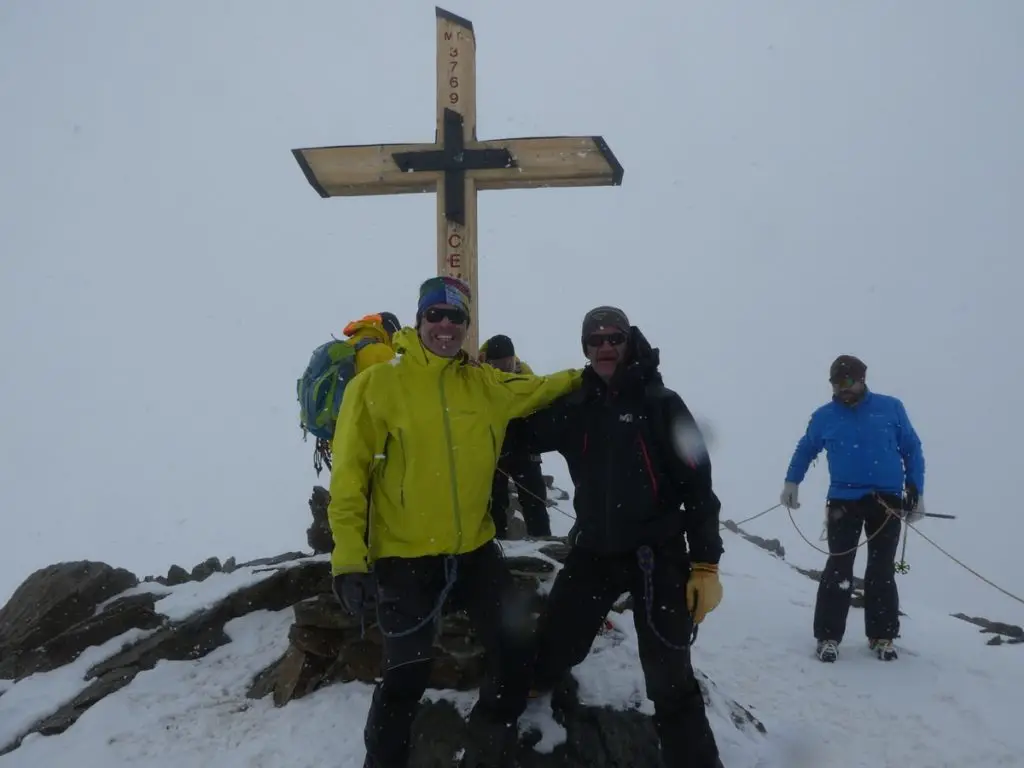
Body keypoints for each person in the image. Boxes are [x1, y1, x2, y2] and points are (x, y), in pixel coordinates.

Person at [326, 276, 582, 768]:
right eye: (434, 315)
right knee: (406, 674)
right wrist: (348, 560)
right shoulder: (377, 386)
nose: (445, 325)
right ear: (419, 320)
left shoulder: (485, 384)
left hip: (474, 551)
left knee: (514, 649)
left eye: (456, 317)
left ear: (466, 326)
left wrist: (595, 372)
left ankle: (487, 740)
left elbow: (540, 387)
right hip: (402, 555)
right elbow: (349, 480)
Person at [520, 306, 726, 768]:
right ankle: (537, 685)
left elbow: (699, 486)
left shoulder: (662, 403)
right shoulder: (577, 407)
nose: (605, 346)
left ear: (629, 342)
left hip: (659, 556)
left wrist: (705, 564)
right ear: (585, 349)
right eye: (595, 340)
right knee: (555, 640)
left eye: (614, 338)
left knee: (670, 679)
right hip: (595, 550)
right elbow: (520, 437)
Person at [780, 354, 926, 662]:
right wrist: (792, 481)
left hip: (887, 500)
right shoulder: (825, 416)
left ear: (862, 379)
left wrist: (916, 489)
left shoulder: (890, 408)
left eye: (846, 382)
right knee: (839, 567)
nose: (840, 389)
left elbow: (911, 447)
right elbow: (806, 447)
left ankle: (882, 635)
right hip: (844, 501)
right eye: (835, 383)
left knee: (882, 568)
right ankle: (828, 637)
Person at [479, 334, 551, 538]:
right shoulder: (480, 376)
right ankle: (497, 544)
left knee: (535, 499)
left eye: (508, 363)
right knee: (495, 501)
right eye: (498, 365)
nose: (504, 369)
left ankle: (542, 540)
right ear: (489, 362)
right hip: (495, 450)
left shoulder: (526, 376)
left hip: (524, 447)